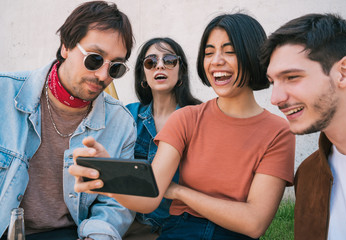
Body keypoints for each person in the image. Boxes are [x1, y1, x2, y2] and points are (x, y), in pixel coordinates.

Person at [70, 13, 295, 240]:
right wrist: (111, 176)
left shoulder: (278, 132)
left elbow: (254, 222)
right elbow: (150, 196)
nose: (216, 61)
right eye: (208, 53)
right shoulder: (186, 118)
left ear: (252, 55)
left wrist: (179, 192)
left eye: (229, 51)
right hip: (180, 231)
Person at [0, 1, 137, 240]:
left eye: (115, 67)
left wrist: (97, 236)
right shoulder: (4, 93)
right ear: (66, 46)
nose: (104, 76)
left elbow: (115, 204)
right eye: (95, 59)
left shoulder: (121, 123)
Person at [260, 13, 346, 240]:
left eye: (292, 77)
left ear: (344, 73)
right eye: (272, 82)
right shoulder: (308, 175)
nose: (275, 98)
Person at [124, 37, 201, 239]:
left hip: (184, 223)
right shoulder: (128, 116)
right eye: (151, 61)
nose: (160, 65)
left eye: (169, 60)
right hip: (136, 222)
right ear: (143, 74)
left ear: (181, 71)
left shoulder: (199, 117)